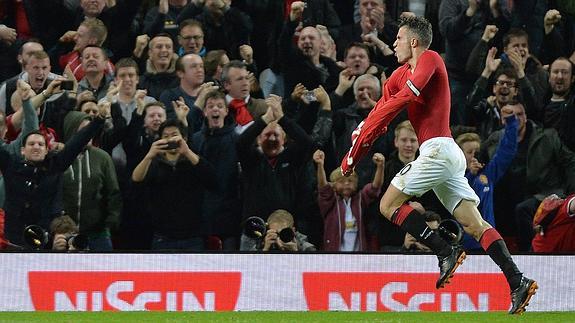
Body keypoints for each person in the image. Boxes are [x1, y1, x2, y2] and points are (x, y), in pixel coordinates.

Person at [340, 16, 536, 314]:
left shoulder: (430, 59)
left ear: (414, 42)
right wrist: (358, 146)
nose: (394, 44)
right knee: (475, 223)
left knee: (388, 205)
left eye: (399, 39)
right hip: (444, 154)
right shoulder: (398, 74)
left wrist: (366, 134)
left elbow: (404, 97)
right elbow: (382, 107)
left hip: (439, 151)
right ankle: (517, 281)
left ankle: (446, 250)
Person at [132, 119, 217, 250]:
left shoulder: (194, 161)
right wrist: (149, 156)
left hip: (193, 237)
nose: (170, 140)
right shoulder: (154, 163)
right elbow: (136, 181)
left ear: (184, 138)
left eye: (174, 135)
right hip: (162, 236)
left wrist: (187, 152)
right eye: (165, 136)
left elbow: (213, 181)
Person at [456, 105, 518, 251]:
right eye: (469, 152)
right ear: (458, 154)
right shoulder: (453, 177)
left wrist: (510, 122)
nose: (473, 155)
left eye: (476, 151)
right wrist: (470, 174)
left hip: (487, 244)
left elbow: (506, 152)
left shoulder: (487, 174)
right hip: (462, 246)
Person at [314, 149, 383, 252]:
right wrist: (320, 165)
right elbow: (323, 187)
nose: (346, 183)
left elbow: (375, 187)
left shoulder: (360, 199)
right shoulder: (330, 202)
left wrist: (380, 166)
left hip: (359, 252)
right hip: (334, 253)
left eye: (350, 180)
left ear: (356, 184)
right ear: (333, 185)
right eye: (341, 181)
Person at [241, 209, 316, 252]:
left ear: (293, 230)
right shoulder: (259, 240)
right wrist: (265, 249)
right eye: (275, 233)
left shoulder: (302, 243)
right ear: (268, 230)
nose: (278, 237)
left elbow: (311, 267)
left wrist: (295, 252)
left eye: (283, 233)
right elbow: (247, 266)